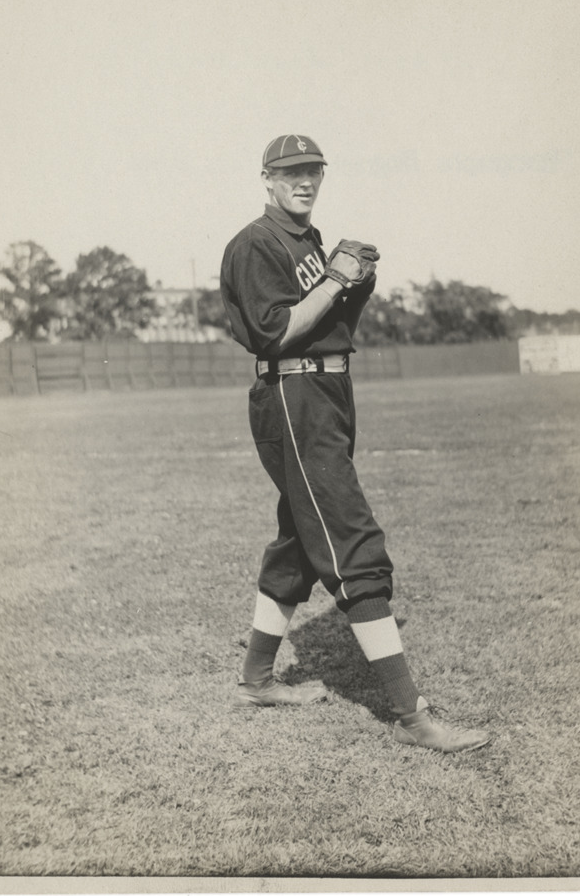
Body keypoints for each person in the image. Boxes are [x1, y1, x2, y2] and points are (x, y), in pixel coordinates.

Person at [220, 134, 490, 753]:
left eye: (313, 170)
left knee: (300, 539)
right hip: (294, 394)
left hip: (327, 392)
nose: (304, 181)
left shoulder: (308, 241)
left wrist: (355, 285)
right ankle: (412, 714)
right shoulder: (256, 243)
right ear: (267, 179)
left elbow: (330, 324)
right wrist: (333, 280)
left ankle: (256, 679)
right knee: (351, 538)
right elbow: (275, 333)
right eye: (290, 172)